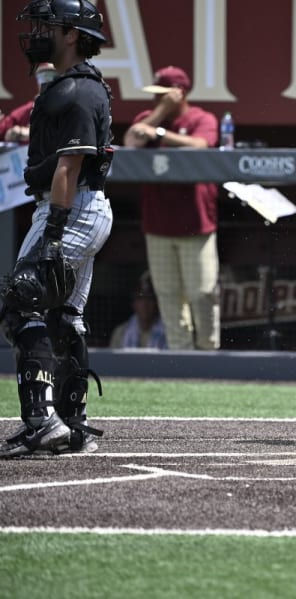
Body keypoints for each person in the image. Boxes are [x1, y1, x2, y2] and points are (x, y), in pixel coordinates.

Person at [0, 0, 113, 456]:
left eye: (49, 25)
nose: (39, 32)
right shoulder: (69, 85)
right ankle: (73, 424)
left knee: (20, 300)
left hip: (70, 208)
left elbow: (69, 166)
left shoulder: (79, 92)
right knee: (64, 316)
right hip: (79, 206)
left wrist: (53, 233)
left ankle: (43, 422)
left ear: (72, 34)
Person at [123, 66, 221, 350]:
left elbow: (202, 144)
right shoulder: (147, 119)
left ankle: (208, 351)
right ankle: (181, 357)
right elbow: (131, 141)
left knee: (202, 293)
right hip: (158, 225)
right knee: (168, 295)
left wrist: (161, 131)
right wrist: (159, 115)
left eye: (164, 95)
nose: (157, 100)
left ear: (180, 93)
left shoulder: (202, 118)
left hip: (196, 223)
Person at [0, 62, 57, 144]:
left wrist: (29, 133)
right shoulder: (27, 110)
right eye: (41, 77)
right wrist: (13, 132)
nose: (46, 82)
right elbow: (2, 130)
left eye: (52, 76)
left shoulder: (69, 107)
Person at [109, 271, 167, 350]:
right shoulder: (121, 332)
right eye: (140, 298)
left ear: (157, 302)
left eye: (149, 298)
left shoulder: (167, 332)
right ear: (133, 303)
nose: (144, 304)